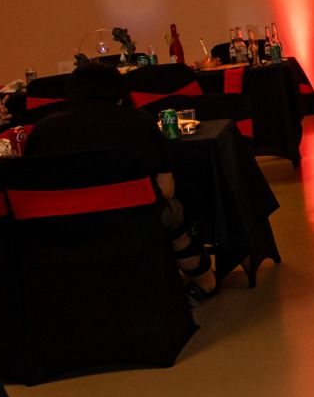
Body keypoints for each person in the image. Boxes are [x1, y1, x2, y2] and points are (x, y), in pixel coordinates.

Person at [25, 62, 217, 298]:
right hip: (133, 221)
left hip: (61, 227)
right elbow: (166, 189)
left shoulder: (44, 130)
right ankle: (204, 281)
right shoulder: (139, 122)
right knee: (173, 210)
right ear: (120, 93)